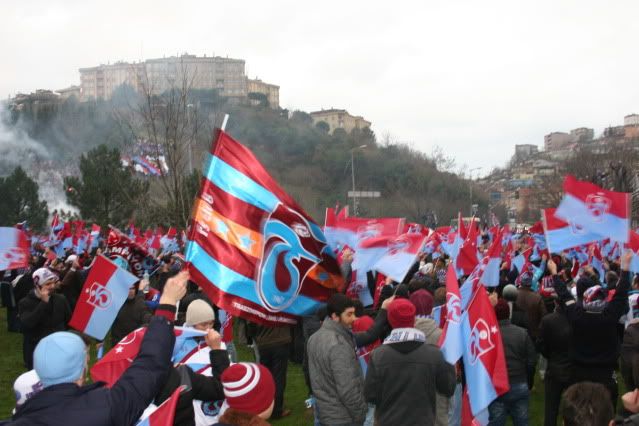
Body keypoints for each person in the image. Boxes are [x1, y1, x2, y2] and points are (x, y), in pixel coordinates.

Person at [10, 271, 188, 426]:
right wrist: (168, 303)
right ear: (81, 372)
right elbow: (149, 365)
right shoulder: (106, 408)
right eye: (86, 360)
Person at [550, 253, 631, 410]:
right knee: (604, 413)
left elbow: (564, 294)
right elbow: (621, 293)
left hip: (579, 374)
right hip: (605, 374)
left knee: (579, 411)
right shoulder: (610, 315)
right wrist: (625, 268)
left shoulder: (576, 314)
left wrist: (554, 273)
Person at [364, 298, 455, 426]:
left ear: (390, 320)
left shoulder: (378, 355)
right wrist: (450, 357)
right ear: (413, 319)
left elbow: (370, 395)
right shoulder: (434, 354)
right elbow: (448, 388)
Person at [307, 294, 368, 426]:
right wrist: (361, 414)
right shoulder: (339, 344)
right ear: (335, 316)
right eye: (349, 314)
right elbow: (348, 389)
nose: (354, 318)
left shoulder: (314, 338)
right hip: (344, 417)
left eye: (354, 313)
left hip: (325, 413)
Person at [488, 299, 537, 426]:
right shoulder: (522, 333)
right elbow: (531, 361)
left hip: (497, 387)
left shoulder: (488, 336)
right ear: (508, 313)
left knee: (496, 422)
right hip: (518, 384)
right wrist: (528, 381)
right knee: (522, 422)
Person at [410, 288, 449, 426]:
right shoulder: (443, 335)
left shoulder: (400, 336)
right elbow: (450, 376)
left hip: (410, 399)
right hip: (437, 399)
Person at [18, 268, 71, 369]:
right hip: (37, 350)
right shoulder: (25, 303)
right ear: (37, 285)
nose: (52, 286)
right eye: (48, 284)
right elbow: (27, 324)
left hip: (58, 347)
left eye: (53, 282)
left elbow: (68, 322)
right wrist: (43, 303)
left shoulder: (61, 299)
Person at [536, 296, 573, 426]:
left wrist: (550, 355)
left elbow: (540, 344)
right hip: (570, 367)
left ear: (556, 303)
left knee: (551, 408)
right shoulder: (575, 319)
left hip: (555, 367)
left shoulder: (548, 320)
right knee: (572, 407)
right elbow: (540, 344)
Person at [246, 321, 292, 419]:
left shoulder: (258, 310)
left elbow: (251, 324)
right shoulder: (280, 309)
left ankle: (267, 407)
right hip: (279, 341)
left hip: (264, 343)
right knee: (278, 377)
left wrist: (255, 337)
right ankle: (277, 410)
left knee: (266, 378)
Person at [110, 280, 153, 347]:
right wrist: (99, 341)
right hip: (118, 344)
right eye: (129, 289)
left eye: (133, 288)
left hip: (134, 344)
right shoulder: (116, 304)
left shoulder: (139, 304)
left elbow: (147, 318)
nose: (131, 291)